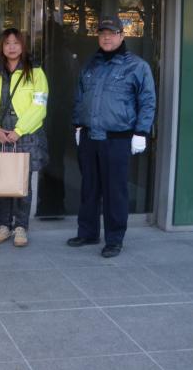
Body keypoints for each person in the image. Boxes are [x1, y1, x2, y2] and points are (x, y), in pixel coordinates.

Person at [68, 15, 156, 258]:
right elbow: (79, 96)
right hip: (89, 136)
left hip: (117, 139)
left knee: (115, 191)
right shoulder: (90, 64)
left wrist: (141, 132)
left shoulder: (137, 66)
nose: (106, 37)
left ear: (121, 36)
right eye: (102, 33)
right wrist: (77, 125)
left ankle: (114, 239)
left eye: (112, 33)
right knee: (89, 188)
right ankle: (88, 232)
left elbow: (147, 102)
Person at [0, 28, 49, 247]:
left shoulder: (35, 71)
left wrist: (19, 130)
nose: (12, 47)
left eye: (16, 43)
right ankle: (4, 225)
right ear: (1, 46)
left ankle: (21, 227)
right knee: (2, 181)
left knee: (22, 183)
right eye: (7, 43)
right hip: (0, 134)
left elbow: (39, 105)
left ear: (23, 46)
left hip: (25, 134)